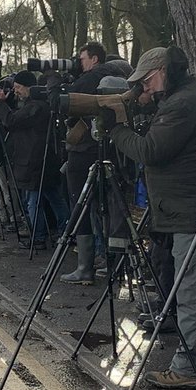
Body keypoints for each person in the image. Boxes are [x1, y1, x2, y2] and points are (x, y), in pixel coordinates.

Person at [103, 45, 196, 389]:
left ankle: (188, 368)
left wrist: (117, 129)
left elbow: (150, 151)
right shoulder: (190, 95)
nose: (144, 87)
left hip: (190, 208)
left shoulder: (184, 102)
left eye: (147, 80)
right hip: (192, 205)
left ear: (163, 71)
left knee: (192, 289)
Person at [61, 42, 116, 283]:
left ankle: (85, 267)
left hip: (84, 150)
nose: (79, 63)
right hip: (106, 149)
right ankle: (111, 261)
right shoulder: (114, 76)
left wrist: (55, 83)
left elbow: (61, 104)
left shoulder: (90, 79)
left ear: (94, 59)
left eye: (81, 59)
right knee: (107, 205)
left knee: (81, 203)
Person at [0, 71, 69, 245]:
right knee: (54, 198)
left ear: (29, 87)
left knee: (33, 202)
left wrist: (0, 104)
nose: (16, 91)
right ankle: (65, 233)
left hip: (34, 162)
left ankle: (39, 237)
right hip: (42, 160)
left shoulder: (36, 107)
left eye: (18, 87)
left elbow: (11, 121)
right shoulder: (40, 105)